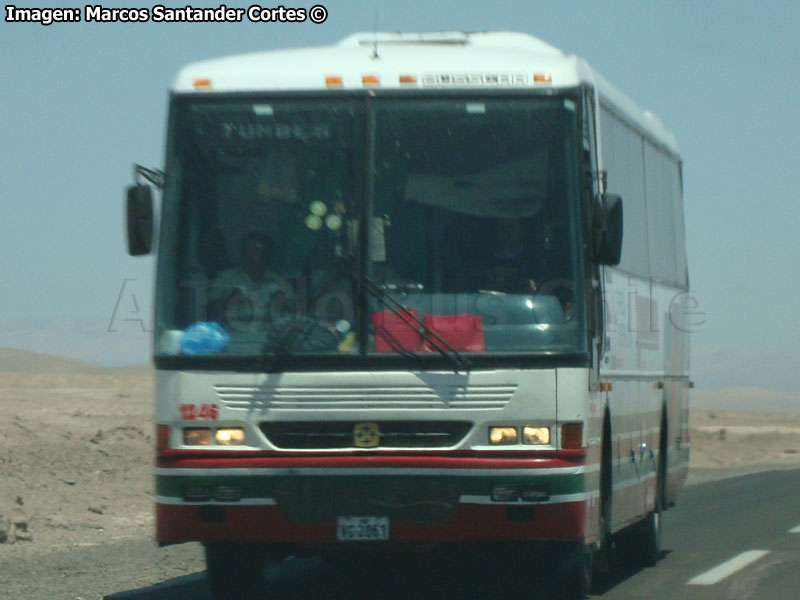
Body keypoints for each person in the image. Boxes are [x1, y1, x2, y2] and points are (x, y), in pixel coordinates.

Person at [208, 232, 295, 331]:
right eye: (246, 251)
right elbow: (208, 310)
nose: (250, 256)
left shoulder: (280, 283)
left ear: (267, 255)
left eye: (256, 251)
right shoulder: (225, 279)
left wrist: (281, 303)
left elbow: (295, 314)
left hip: (270, 338)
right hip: (233, 337)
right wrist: (227, 299)